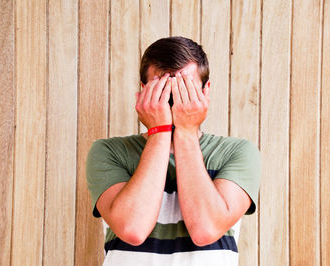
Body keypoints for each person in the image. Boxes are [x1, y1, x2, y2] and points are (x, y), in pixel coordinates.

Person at [86, 36, 261, 266]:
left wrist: (186, 133)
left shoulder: (236, 152)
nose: (174, 100)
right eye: (164, 90)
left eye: (185, 89)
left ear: (205, 91)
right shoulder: (109, 151)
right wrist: (159, 132)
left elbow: (205, 230)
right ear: (143, 90)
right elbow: (133, 229)